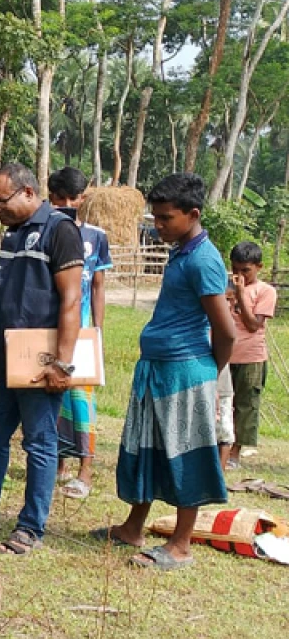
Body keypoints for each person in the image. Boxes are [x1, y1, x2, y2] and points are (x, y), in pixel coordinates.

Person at [102, 173, 235, 571]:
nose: (157, 225)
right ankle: (133, 528)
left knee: (185, 454)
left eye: (165, 218)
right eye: (155, 217)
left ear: (192, 214)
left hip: (185, 370)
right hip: (158, 368)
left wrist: (207, 372)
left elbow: (225, 331)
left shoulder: (203, 260)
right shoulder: (180, 250)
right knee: (148, 447)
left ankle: (180, 545)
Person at [0, 163, 84, 555]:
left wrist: (62, 364)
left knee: (40, 442)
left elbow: (71, 300)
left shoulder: (60, 230)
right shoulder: (13, 234)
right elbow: (25, 291)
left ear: (28, 192)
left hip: (41, 361)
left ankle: (30, 527)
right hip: (5, 356)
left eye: (0, 201)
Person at [49, 167, 113, 499]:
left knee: (81, 397)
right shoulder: (47, 231)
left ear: (82, 199)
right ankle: (58, 464)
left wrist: (96, 332)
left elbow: (98, 286)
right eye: (58, 199)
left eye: (70, 199)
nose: (64, 204)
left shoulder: (95, 237)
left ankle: (85, 470)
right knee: (54, 395)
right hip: (51, 326)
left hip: (83, 324)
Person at [222, 241, 276, 470]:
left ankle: (235, 452)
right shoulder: (225, 287)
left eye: (245, 270)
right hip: (225, 355)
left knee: (245, 406)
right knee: (222, 403)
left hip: (251, 357)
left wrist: (242, 295)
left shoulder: (265, 291)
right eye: (235, 269)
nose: (239, 274)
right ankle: (221, 447)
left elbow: (254, 325)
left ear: (259, 267)